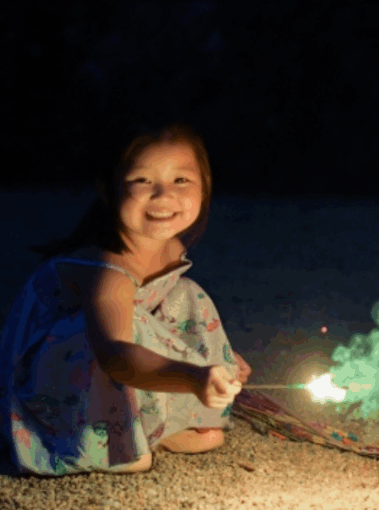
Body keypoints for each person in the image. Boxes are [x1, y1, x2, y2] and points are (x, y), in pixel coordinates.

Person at [0, 125, 253, 475]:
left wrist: (214, 357)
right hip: (56, 377)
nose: (163, 195)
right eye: (142, 181)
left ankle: (159, 424)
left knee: (187, 294)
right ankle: (105, 438)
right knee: (128, 325)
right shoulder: (107, 269)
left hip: (115, 354)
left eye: (181, 180)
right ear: (108, 190)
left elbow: (160, 313)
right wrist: (191, 376)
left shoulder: (171, 247)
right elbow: (115, 354)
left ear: (205, 186)